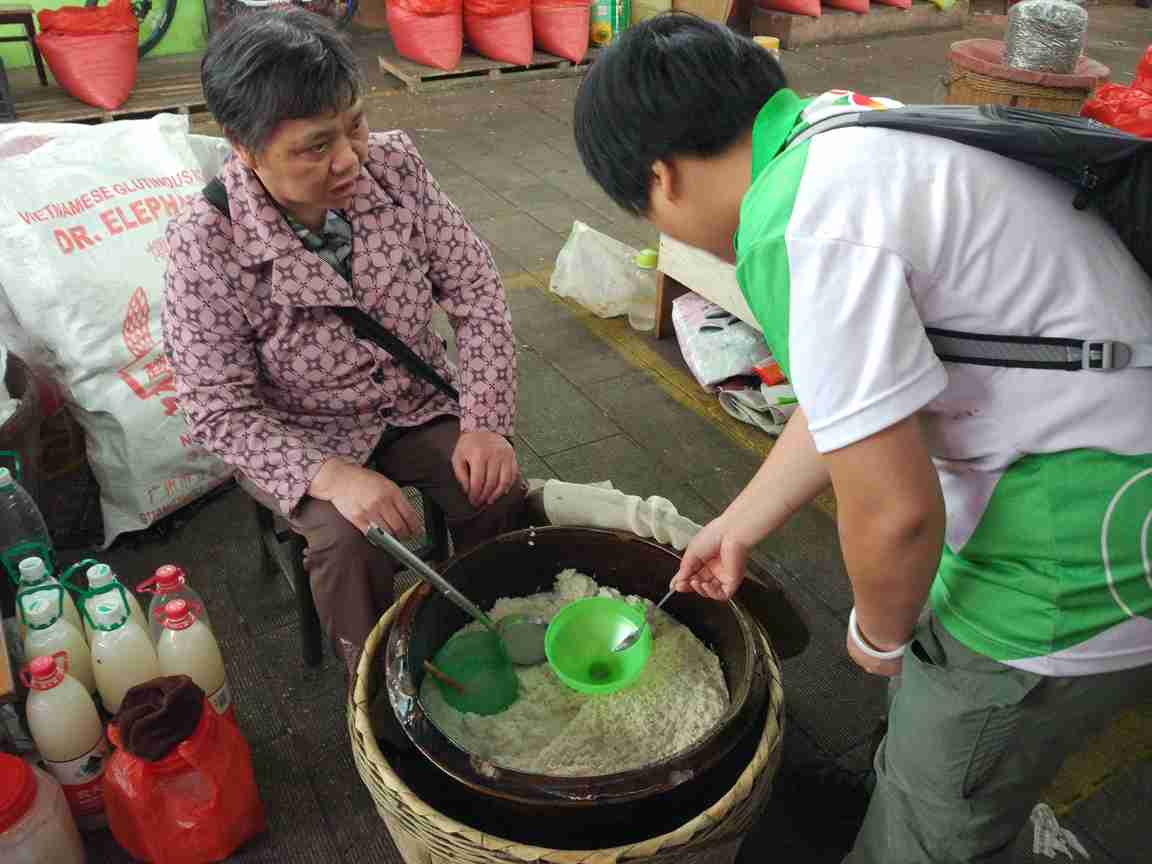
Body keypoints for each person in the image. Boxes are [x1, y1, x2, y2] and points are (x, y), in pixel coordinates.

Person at [574, 14, 1152, 864]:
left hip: (1078, 543)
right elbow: (856, 396)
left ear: (660, 179)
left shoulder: (795, 224)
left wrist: (880, 637)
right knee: (938, 747)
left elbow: (895, 515)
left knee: (933, 823)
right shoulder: (838, 128)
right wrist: (736, 526)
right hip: (1101, 454)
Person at [163, 9, 526, 675]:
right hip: (301, 435)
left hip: (413, 402)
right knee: (351, 541)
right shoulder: (206, 243)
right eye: (315, 146)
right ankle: (380, 683)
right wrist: (331, 477)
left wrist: (485, 421)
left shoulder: (396, 167)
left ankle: (497, 624)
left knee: (495, 488)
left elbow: (475, 292)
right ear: (243, 148)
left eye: (355, 124)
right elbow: (217, 408)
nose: (349, 159)